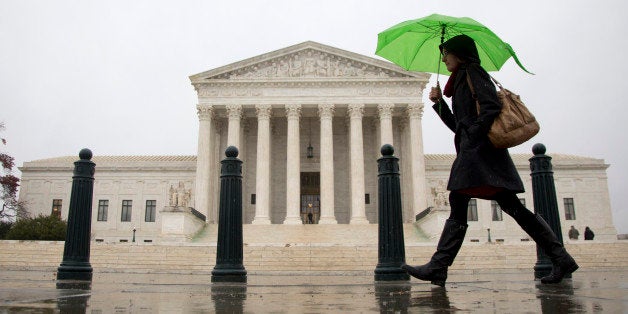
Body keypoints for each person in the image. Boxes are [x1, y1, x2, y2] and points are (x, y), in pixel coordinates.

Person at [401, 34, 578, 286]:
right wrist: (439, 103)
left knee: (470, 202)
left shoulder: (474, 73)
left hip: (481, 152)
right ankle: (561, 258)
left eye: (447, 53)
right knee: (506, 207)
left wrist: (473, 134)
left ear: (460, 54)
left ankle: (438, 266)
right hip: (474, 150)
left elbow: (491, 107)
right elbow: (457, 125)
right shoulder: (460, 81)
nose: (444, 59)